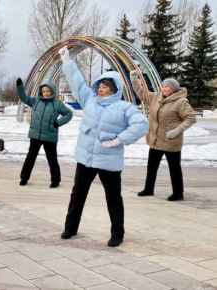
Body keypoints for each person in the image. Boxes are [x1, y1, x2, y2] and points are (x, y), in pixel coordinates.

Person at [59, 46, 149, 247]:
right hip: (85, 159)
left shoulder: (124, 107)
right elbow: (77, 84)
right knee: (77, 194)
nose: (100, 88)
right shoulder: (89, 100)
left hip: (108, 162)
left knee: (113, 199)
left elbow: (142, 124)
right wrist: (67, 62)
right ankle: (70, 228)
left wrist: (119, 140)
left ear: (115, 89)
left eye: (106, 86)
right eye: (100, 85)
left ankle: (117, 234)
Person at [130, 71, 196, 201]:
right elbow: (142, 93)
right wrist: (134, 80)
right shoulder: (156, 97)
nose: (164, 89)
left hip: (171, 140)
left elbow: (190, 118)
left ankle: (178, 193)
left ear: (174, 89)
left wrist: (178, 130)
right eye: (163, 86)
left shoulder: (181, 102)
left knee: (174, 167)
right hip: (155, 139)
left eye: (167, 86)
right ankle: (149, 189)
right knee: (152, 166)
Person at [16, 78, 73, 188]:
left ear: (52, 92)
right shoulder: (36, 101)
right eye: (44, 91)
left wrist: (58, 123)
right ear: (41, 92)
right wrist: (20, 86)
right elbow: (23, 97)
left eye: (48, 91)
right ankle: (24, 178)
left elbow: (68, 114)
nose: (46, 93)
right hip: (35, 135)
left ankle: (55, 180)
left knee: (52, 159)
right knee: (30, 158)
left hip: (50, 136)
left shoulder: (58, 104)